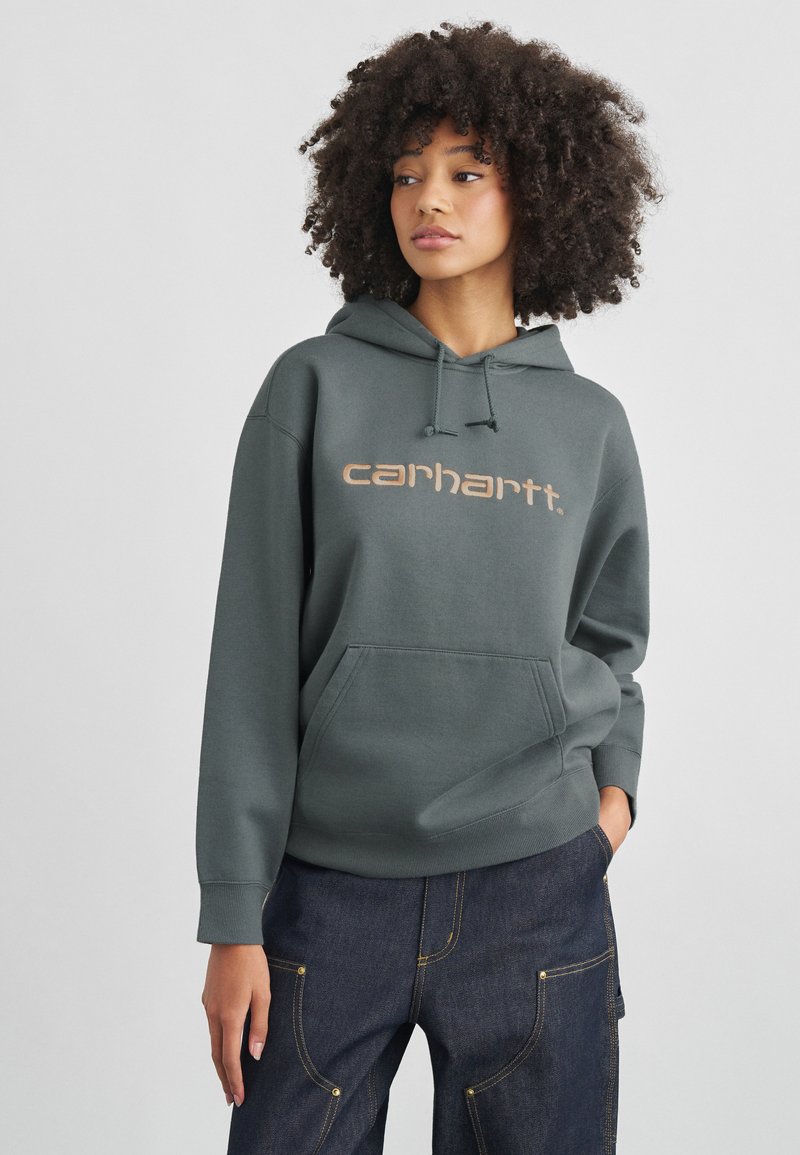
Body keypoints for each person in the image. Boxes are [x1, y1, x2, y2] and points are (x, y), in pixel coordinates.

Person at [195, 19, 663, 1154]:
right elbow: (250, 661)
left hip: (535, 891)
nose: (429, 200)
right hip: (326, 897)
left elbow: (611, 640)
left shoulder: (588, 424)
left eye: (465, 171)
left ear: (538, 190)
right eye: (406, 175)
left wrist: (611, 803)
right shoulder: (311, 387)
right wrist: (232, 915)